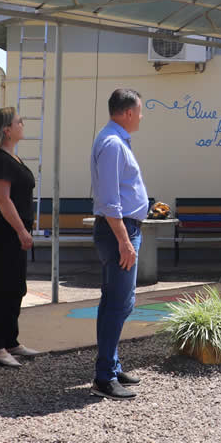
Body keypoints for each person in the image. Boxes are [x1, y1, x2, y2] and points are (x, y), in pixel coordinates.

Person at [89, 88, 149, 400]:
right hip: (118, 231)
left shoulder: (114, 140)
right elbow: (110, 201)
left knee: (113, 301)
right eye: (139, 110)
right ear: (127, 112)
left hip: (119, 229)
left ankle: (110, 366)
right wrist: (125, 242)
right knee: (120, 303)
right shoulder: (113, 144)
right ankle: (104, 377)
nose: (141, 116)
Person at [0, 107, 39, 367]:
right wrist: (21, 230)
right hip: (2, 234)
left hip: (14, 234)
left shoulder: (14, 159)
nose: (22, 124)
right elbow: (3, 201)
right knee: (3, 288)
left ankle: (10, 341)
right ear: (7, 130)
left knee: (16, 287)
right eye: (18, 122)